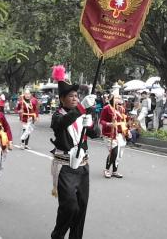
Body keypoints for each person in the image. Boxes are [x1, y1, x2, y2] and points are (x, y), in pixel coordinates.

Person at [49, 65, 97, 239]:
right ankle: (58, 235)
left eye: (77, 96)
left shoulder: (81, 114)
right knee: (70, 206)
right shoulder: (57, 116)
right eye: (71, 96)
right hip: (65, 167)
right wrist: (81, 109)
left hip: (83, 167)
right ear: (62, 99)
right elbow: (63, 123)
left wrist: (91, 121)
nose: (75, 98)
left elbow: (95, 134)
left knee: (81, 207)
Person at [100, 91, 130, 179]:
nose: (120, 99)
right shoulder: (106, 108)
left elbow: (123, 122)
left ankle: (115, 171)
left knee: (119, 154)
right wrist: (109, 124)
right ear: (113, 99)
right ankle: (106, 169)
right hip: (109, 134)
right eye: (118, 98)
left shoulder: (121, 109)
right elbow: (101, 121)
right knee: (114, 152)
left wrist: (127, 130)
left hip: (119, 134)